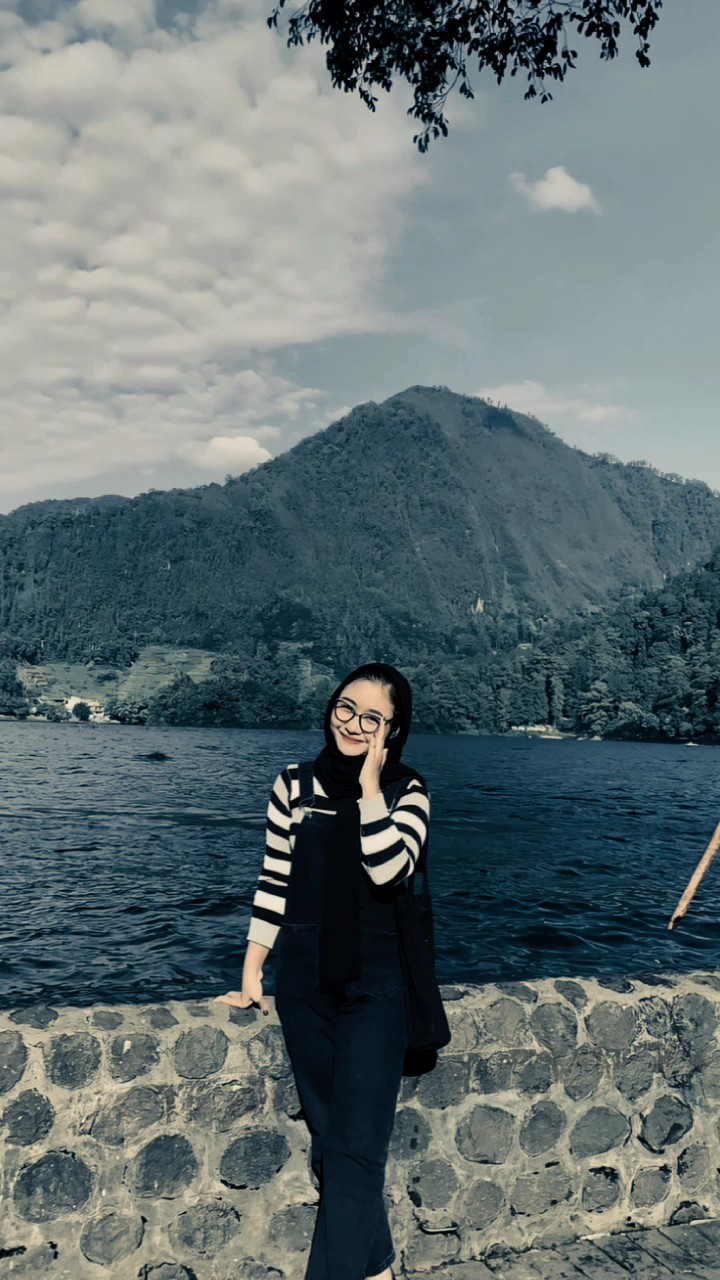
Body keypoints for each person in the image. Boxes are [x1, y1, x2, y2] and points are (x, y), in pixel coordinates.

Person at [215, 662, 431, 1280]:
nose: (353, 725)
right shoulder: (292, 784)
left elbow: (390, 871)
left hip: (377, 988)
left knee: (357, 1149)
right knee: (331, 1140)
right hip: (304, 983)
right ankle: (378, 1267)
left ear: (394, 731)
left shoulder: (409, 792)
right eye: (345, 708)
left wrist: (369, 787)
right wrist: (253, 972)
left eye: (373, 719)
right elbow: (274, 882)